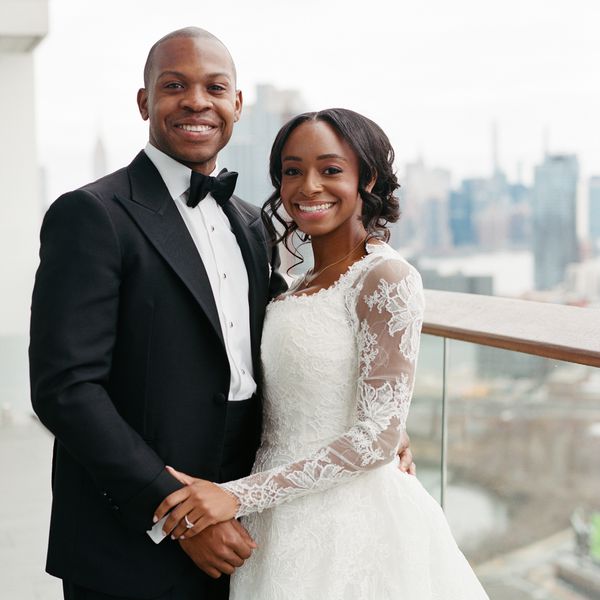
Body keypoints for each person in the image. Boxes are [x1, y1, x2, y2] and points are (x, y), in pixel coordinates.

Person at [29, 29, 414, 600]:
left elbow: (294, 348)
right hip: (132, 539)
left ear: (237, 105)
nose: (196, 101)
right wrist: (174, 511)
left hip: (257, 533)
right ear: (144, 103)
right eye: (174, 86)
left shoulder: (249, 223)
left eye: (215, 87)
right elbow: (65, 388)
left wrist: (381, 425)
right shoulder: (91, 214)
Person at [155, 108, 490, 599]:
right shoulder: (291, 285)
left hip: (350, 523)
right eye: (292, 171)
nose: (309, 186)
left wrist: (233, 496)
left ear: (366, 179)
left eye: (330, 170)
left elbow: (377, 437)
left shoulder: (386, 278)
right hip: (274, 523)